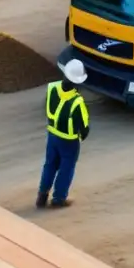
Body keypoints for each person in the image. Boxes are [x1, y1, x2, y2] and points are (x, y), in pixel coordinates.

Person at [36, 59, 90, 209]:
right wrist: (81, 137)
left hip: (52, 136)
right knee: (66, 168)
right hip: (69, 142)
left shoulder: (52, 88)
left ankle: (41, 197)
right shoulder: (77, 102)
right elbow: (84, 128)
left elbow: (46, 106)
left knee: (50, 165)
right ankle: (58, 199)